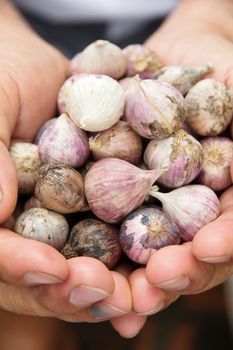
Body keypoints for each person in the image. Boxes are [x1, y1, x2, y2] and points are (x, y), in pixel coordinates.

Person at [0, 0, 232, 341]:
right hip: (31, 34)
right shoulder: (81, 124)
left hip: (176, 28)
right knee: (34, 285)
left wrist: (214, 15)